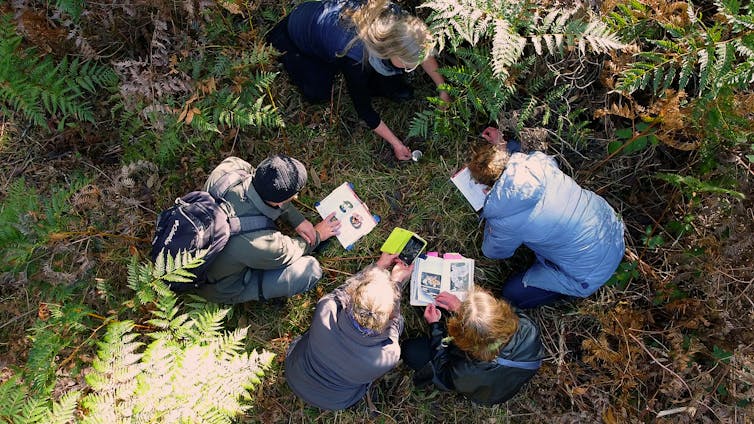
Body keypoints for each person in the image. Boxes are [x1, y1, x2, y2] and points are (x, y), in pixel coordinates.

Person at [266, 0, 450, 161]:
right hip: (297, 38)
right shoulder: (356, 56)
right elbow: (364, 109)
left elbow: (421, 51)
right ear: (390, 51)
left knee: (395, 86)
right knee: (317, 93)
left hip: (334, 31)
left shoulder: (403, 24)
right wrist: (397, 143)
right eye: (408, 65)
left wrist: (443, 89)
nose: (413, 68)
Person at [468, 127, 625, 308]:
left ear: (487, 187)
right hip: (613, 226)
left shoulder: (504, 218)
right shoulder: (539, 163)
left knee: (511, 295)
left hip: (588, 274)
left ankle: (564, 291)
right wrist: (504, 146)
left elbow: (493, 252)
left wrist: (491, 218)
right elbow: (517, 165)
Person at [196, 155, 341, 304]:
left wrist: (297, 220)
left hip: (194, 245)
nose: (296, 197)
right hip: (217, 287)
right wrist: (318, 235)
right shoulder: (261, 243)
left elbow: (265, 190)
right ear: (280, 202)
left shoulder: (230, 167)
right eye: (293, 196)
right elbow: (290, 250)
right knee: (310, 271)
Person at [285, 252, 413, 410]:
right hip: (336, 402)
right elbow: (395, 325)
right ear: (390, 314)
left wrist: (378, 266)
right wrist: (396, 282)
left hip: (295, 373)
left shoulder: (326, 310)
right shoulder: (389, 354)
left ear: (354, 295)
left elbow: (343, 291)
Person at [401, 289, 542, 405]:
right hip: (508, 372)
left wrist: (435, 327)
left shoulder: (466, 371)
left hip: (486, 387)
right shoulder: (528, 328)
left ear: (464, 341)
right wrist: (461, 307)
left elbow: (444, 374)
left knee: (411, 351)